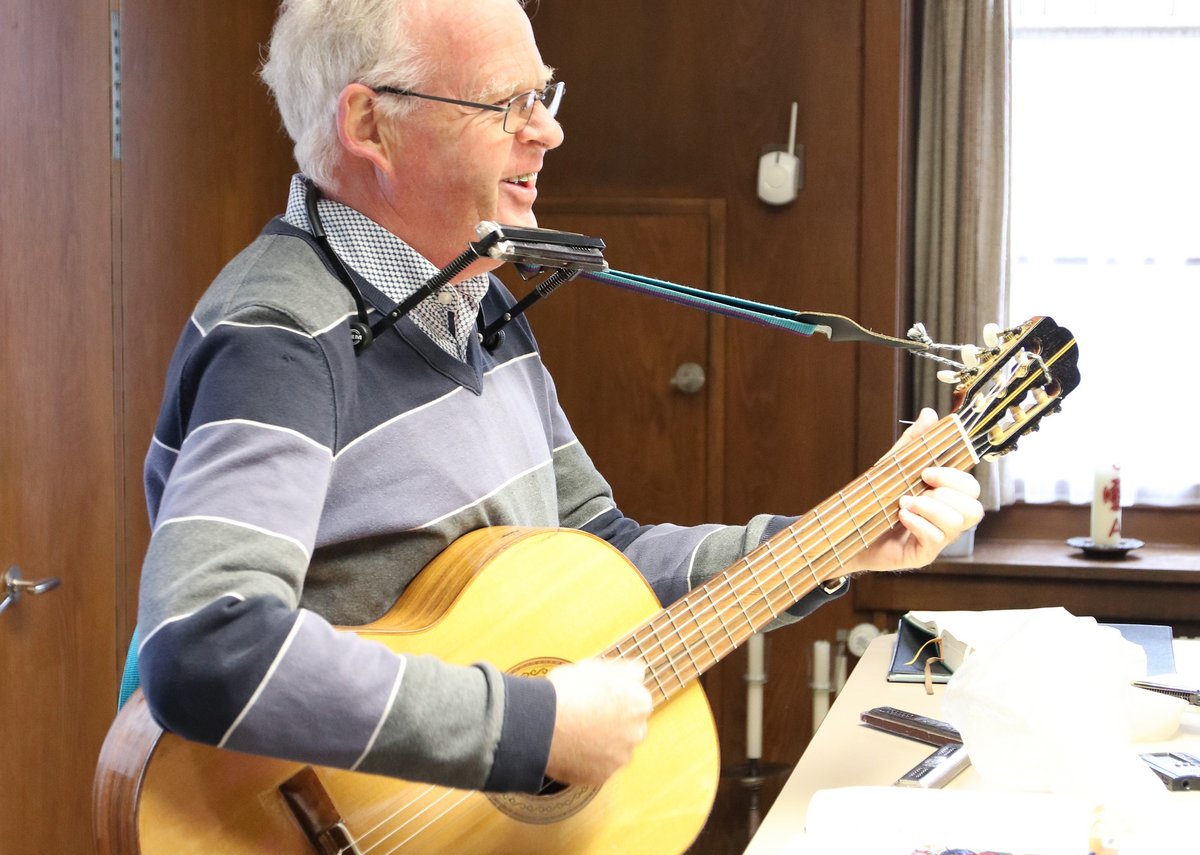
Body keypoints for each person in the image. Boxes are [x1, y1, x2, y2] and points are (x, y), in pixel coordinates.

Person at [134, 0, 983, 796]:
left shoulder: (477, 301)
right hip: (311, 854)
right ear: (369, 126)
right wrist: (531, 728)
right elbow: (208, 645)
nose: (549, 131)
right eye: (507, 104)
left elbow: (599, 557)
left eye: (544, 96)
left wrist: (832, 545)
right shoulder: (280, 337)